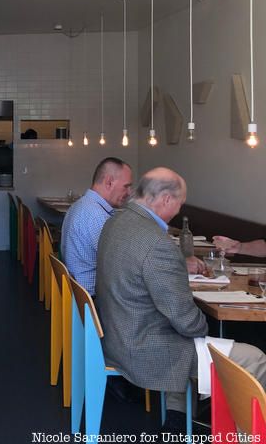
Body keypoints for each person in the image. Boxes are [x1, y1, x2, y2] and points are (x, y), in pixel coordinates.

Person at [96, 167, 266, 427]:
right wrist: (204, 327)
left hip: (118, 336)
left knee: (184, 330)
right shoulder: (157, 242)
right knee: (255, 357)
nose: (178, 211)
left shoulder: (116, 221)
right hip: (145, 349)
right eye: (179, 204)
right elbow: (187, 323)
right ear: (166, 199)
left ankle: (177, 417)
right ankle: (247, 434)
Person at [61, 157, 133, 296]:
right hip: (93, 298)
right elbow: (122, 265)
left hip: (77, 293)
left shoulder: (81, 204)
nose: (129, 192)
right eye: (126, 186)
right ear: (109, 182)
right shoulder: (97, 216)